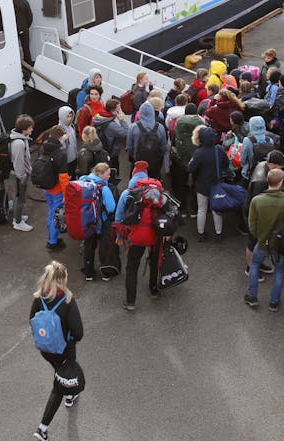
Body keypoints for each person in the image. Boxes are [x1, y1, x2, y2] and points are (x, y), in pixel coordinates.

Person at [30, 262, 83, 440]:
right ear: (63, 279)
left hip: (46, 349)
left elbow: (31, 320)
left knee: (60, 372)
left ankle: (71, 394)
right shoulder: (67, 300)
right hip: (64, 351)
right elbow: (78, 332)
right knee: (58, 386)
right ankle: (42, 428)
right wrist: (70, 343)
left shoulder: (38, 298)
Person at [245, 168, 284, 311]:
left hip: (262, 241)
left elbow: (252, 225)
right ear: (280, 182)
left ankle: (252, 296)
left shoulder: (257, 201)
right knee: (279, 271)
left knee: (254, 264)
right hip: (280, 244)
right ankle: (274, 302)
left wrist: (259, 236)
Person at [115, 162, 161, 310]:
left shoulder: (127, 193)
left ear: (133, 174)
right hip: (155, 232)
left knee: (132, 267)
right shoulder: (156, 190)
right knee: (154, 261)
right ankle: (154, 290)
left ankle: (130, 302)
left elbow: (118, 217)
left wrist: (119, 235)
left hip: (136, 235)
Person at [187, 126, 231, 242]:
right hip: (217, 184)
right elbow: (226, 164)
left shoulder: (199, 153)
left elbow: (190, 169)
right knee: (216, 209)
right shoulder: (219, 149)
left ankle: (201, 234)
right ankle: (218, 233)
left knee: (201, 209)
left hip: (202, 185)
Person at [78, 163, 116, 280]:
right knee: (104, 247)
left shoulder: (82, 182)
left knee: (89, 246)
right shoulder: (103, 188)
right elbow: (111, 207)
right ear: (100, 174)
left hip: (86, 221)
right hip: (100, 222)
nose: (109, 176)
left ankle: (88, 273)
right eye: (107, 174)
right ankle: (105, 273)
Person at [39, 125, 70, 251]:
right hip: (57, 189)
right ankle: (52, 241)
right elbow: (63, 177)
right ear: (60, 137)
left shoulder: (44, 147)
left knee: (51, 211)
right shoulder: (60, 153)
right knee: (56, 215)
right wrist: (65, 194)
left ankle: (52, 236)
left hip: (46, 187)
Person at [171, 103, 204, 216]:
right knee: (197, 183)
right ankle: (195, 209)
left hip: (181, 158)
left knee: (180, 183)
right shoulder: (201, 123)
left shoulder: (179, 123)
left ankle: (182, 209)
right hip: (197, 158)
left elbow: (173, 139)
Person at [126, 101, 168, 179]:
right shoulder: (160, 127)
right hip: (154, 162)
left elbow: (129, 147)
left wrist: (134, 157)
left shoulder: (133, 127)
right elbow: (163, 147)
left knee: (136, 182)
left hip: (138, 161)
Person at [9, 115, 35, 232]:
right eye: (30, 128)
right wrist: (23, 177)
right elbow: (18, 162)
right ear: (24, 129)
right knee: (19, 198)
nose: (32, 130)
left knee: (19, 197)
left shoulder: (21, 139)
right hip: (19, 175)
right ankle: (17, 222)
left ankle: (18, 217)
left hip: (19, 174)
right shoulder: (19, 143)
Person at [92, 99, 129, 173]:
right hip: (111, 150)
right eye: (118, 108)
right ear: (113, 110)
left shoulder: (99, 116)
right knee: (111, 169)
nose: (120, 110)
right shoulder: (111, 125)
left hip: (101, 146)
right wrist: (122, 120)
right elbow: (126, 133)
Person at [12, 0, 34, 65]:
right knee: (26, 47)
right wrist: (26, 26)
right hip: (24, 28)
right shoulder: (24, 2)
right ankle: (28, 64)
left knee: (14, 48)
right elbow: (30, 17)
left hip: (13, 29)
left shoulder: (9, 2)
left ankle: (15, 64)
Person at [57, 106, 78, 178]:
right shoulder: (59, 130)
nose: (69, 119)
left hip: (73, 158)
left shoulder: (72, 127)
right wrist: (63, 139)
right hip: (66, 162)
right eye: (67, 116)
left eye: (71, 116)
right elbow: (58, 148)